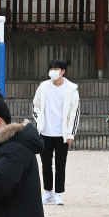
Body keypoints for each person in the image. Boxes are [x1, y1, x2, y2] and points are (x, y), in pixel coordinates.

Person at [32, 59, 80, 206]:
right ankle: (48, 192)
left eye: (56, 68)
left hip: (62, 133)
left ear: (63, 71)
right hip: (45, 132)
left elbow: (74, 112)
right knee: (46, 163)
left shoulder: (71, 89)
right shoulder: (43, 86)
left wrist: (71, 133)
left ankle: (58, 194)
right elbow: (36, 105)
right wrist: (40, 122)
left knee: (60, 164)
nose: (53, 71)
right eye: (51, 68)